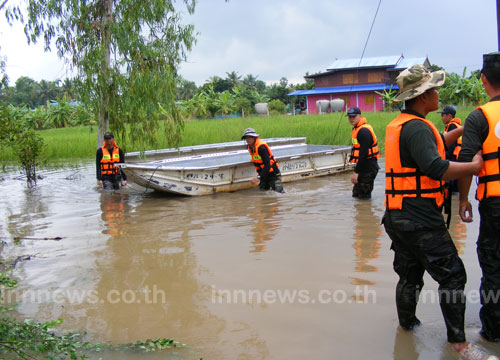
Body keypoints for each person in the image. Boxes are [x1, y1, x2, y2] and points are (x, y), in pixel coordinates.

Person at [382, 64, 483, 357]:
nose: (438, 95)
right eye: (434, 90)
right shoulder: (415, 128)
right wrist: (474, 167)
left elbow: (437, 143)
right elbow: (437, 168)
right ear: (423, 96)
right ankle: (459, 345)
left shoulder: (405, 123)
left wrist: (465, 128)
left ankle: (407, 329)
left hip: (397, 214)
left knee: (409, 276)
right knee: (453, 276)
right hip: (419, 218)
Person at [458, 52, 500, 345]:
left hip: (495, 202)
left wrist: (462, 200)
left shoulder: (479, 116)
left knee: (493, 263)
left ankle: (493, 331)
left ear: (483, 81)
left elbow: (466, 161)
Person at [347, 107, 381, 199]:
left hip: (368, 169)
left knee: (364, 198)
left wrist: (356, 173)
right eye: (349, 117)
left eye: (354, 116)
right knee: (356, 195)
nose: (351, 119)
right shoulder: (357, 129)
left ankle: (366, 213)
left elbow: (363, 155)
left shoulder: (363, 131)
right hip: (363, 167)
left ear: (360, 116)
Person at [241, 128, 284, 193]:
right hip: (264, 174)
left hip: (273, 174)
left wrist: (258, 177)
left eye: (250, 137)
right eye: (246, 138)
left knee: (280, 193)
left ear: (254, 138)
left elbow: (268, 165)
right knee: (263, 193)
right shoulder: (250, 147)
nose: (248, 139)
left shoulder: (261, 148)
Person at [440, 105, 462, 192]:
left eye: (443, 116)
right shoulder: (457, 126)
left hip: (454, 157)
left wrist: (443, 157)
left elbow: (451, 146)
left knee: (452, 184)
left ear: (449, 116)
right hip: (458, 157)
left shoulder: (452, 126)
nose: (442, 118)